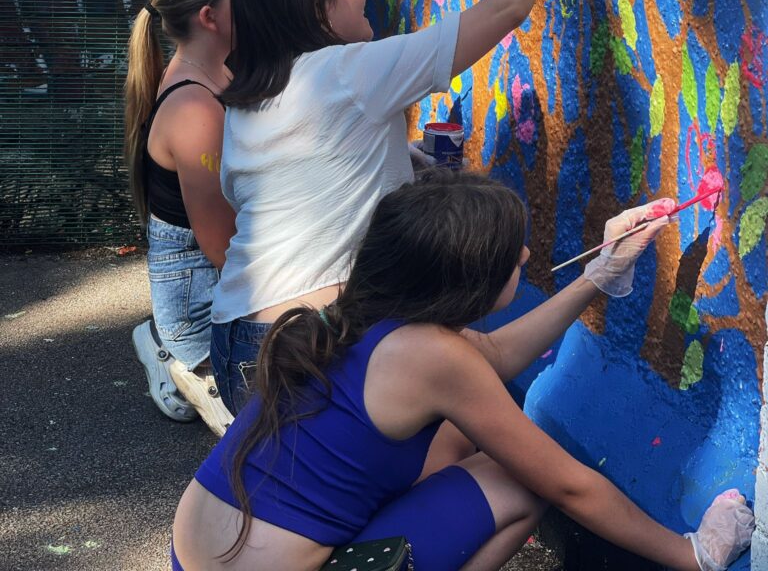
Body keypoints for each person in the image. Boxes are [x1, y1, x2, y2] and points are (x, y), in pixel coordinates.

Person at [171, 170, 754, 571]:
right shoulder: (433, 358)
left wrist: (596, 277)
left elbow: (493, 357)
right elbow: (569, 484)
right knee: (523, 481)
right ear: (467, 285)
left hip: (193, 552)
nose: (526, 258)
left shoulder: (369, 306)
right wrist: (690, 554)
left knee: (456, 437)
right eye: (513, 255)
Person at [210, 0, 565, 413]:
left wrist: (393, 155)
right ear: (316, 8)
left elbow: (273, 190)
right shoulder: (346, 72)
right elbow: (505, 7)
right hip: (303, 344)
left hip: (236, 338)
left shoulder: (254, 97)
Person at [124, 0, 238, 436]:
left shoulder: (218, 70)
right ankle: (176, 353)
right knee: (260, 432)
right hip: (200, 295)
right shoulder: (195, 111)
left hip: (205, 269)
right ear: (211, 17)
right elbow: (222, 250)